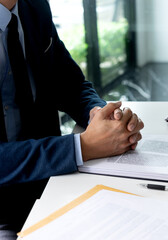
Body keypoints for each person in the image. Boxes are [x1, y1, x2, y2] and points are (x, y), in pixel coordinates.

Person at [0, 0, 144, 238]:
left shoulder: (34, 6)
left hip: (52, 185)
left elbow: (70, 83)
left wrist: (101, 115)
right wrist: (81, 147)